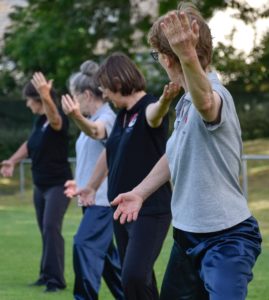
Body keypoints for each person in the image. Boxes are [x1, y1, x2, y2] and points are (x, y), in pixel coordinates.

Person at [111, 2, 262, 300]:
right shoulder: (183, 104)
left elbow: (207, 102)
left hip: (227, 240)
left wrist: (187, 55)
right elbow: (174, 153)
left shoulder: (215, 94)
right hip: (186, 238)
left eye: (158, 55)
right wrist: (140, 193)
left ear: (168, 59)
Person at [77, 52, 180, 300]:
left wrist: (166, 102)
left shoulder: (148, 107)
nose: (105, 95)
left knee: (134, 275)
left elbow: (155, 115)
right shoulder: (122, 116)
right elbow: (109, 155)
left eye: (106, 89)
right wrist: (91, 186)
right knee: (135, 279)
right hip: (121, 211)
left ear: (118, 83)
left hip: (149, 210)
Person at [0, 73, 72, 293]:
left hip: (58, 186)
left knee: (51, 228)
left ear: (39, 99)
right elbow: (29, 144)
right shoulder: (38, 121)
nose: (26, 103)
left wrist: (46, 95)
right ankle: (45, 274)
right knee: (45, 230)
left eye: (29, 99)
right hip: (40, 186)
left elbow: (56, 120)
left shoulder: (56, 117)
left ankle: (56, 281)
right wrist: (11, 161)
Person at [61, 60, 124, 300]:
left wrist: (76, 116)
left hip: (103, 203)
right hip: (91, 201)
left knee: (83, 245)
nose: (74, 102)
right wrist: (78, 182)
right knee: (109, 261)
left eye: (76, 96)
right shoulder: (93, 118)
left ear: (87, 95)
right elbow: (95, 159)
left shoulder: (107, 118)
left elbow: (97, 132)